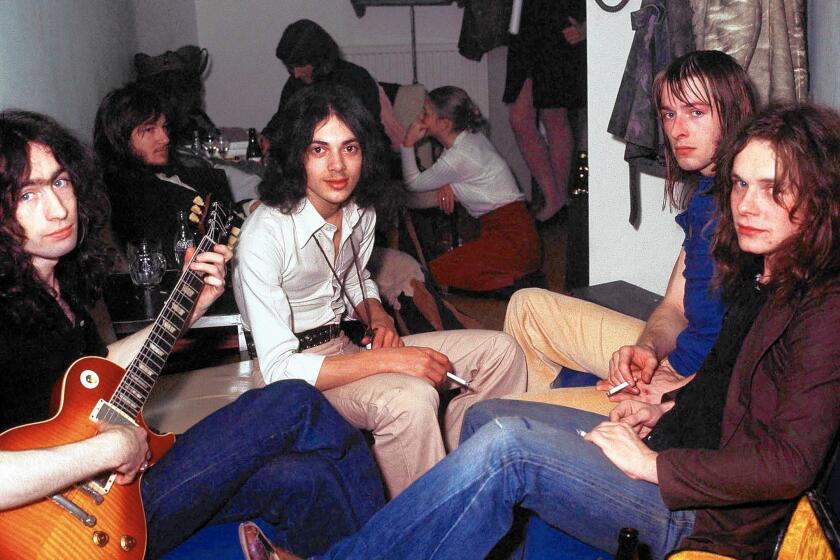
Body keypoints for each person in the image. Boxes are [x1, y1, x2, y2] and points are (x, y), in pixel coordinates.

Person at [240, 102, 840, 560]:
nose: (746, 205)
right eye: (740, 184)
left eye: (772, 188)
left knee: (506, 448)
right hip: (678, 443)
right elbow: (731, 384)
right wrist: (665, 408)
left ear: (816, 196)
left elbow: (788, 465)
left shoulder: (825, 306)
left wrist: (654, 465)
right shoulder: (763, 273)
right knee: (481, 418)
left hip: (703, 509)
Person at [0, 110, 384, 558]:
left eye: (59, 182)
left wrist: (187, 310)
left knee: (306, 481)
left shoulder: (53, 285)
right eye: (27, 194)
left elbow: (93, 370)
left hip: (113, 495)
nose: (57, 208)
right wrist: (107, 450)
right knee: (292, 399)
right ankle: (390, 548)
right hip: (59, 534)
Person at [232, 84, 526, 498]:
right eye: (320, 150)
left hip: (346, 347)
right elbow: (281, 368)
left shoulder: (360, 211)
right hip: (292, 376)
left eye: (350, 149)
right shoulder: (264, 236)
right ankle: (421, 526)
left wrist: (379, 315)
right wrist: (392, 360)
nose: (337, 166)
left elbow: (355, 278)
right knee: (412, 397)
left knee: (501, 353)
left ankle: (465, 482)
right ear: (297, 154)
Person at [505, 50, 757, 409]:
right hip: (675, 363)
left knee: (512, 416)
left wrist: (674, 390)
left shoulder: (751, 208)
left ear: (736, 111)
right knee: (526, 305)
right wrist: (647, 348)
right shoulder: (706, 194)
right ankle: (550, 416)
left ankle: (545, 422)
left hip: (697, 391)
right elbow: (674, 306)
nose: (677, 130)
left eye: (696, 112)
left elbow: (754, 354)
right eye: (669, 114)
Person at [401, 86, 540, 292]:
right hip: (519, 234)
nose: (420, 117)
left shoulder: (457, 158)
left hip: (513, 239)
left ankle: (514, 282)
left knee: (433, 273)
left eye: (426, 113)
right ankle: (513, 278)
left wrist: (407, 144)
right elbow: (460, 170)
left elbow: (413, 183)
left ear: (445, 124)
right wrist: (447, 182)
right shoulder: (471, 137)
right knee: (443, 270)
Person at [94, 82, 242, 267]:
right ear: (119, 138)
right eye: (149, 130)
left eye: (164, 127)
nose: (165, 138)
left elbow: (223, 214)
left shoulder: (167, 172)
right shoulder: (132, 199)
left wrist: (249, 206)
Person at [505, 0, 586, 222]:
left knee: (554, 115)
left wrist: (588, 25)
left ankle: (555, 201)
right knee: (521, 118)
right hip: (527, 25)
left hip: (560, 25)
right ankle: (556, 199)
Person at [261, 19, 381, 148]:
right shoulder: (295, 83)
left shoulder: (355, 79)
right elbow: (281, 119)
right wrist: (266, 137)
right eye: (290, 67)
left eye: (300, 65)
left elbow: (365, 133)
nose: (296, 73)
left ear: (318, 59)